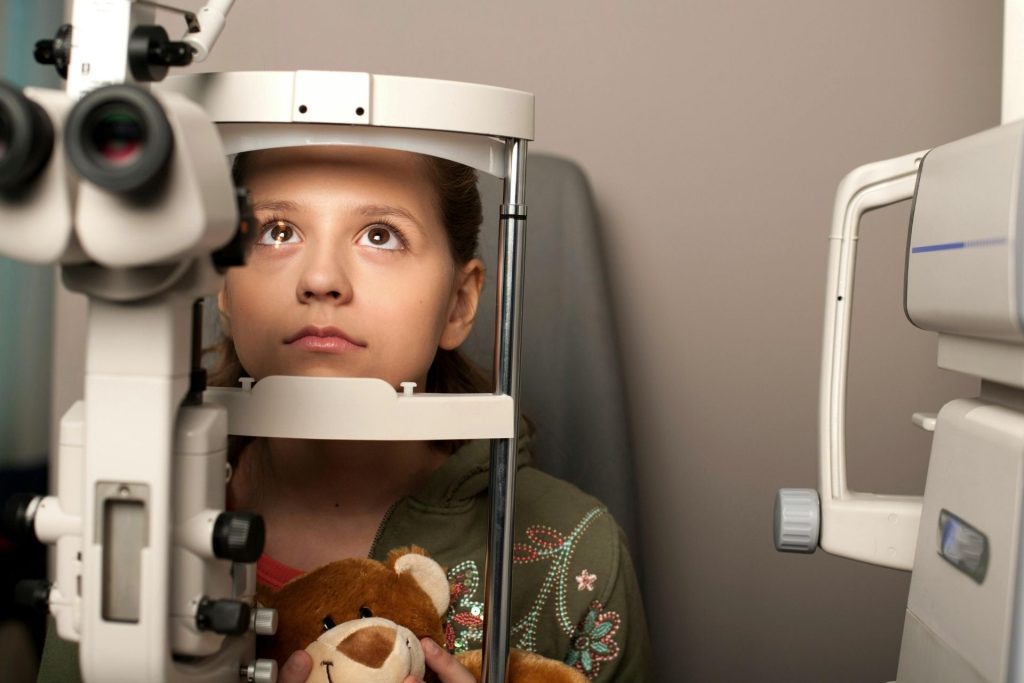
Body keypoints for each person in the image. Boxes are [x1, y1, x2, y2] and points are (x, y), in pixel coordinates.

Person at [36, 144, 652, 682]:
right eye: (277, 232)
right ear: (222, 287)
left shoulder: (577, 553)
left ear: (459, 303)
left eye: (380, 234)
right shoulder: (129, 514)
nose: (322, 279)